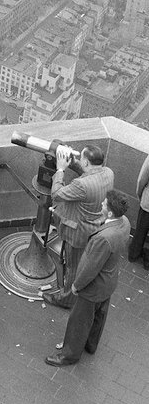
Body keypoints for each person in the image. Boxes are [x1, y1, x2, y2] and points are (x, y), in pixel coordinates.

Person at [45, 189, 130, 367]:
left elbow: (91, 267)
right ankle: (91, 344)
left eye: (104, 204)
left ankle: (69, 355)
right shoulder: (124, 223)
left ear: (111, 212)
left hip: (93, 288)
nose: (101, 204)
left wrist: (76, 286)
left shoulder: (104, 239)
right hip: (108, 282)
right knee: (99, 315)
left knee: (79, 321)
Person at [43, 145, 114, 309]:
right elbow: (88, 174)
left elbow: (57, 194)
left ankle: (66, 299)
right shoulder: (108, 173)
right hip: (94, 227)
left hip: (78, 233)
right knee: (80, 262)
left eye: (81, 158)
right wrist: (73, 162)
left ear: (87, 162)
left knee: (74, 267)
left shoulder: (81, 185)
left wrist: (60, 169)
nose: (80, 160)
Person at [128, 152, 149, 268]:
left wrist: (139, 194)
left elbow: (142, 179)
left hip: (148, 204)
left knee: (140, 230)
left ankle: (133, 255)